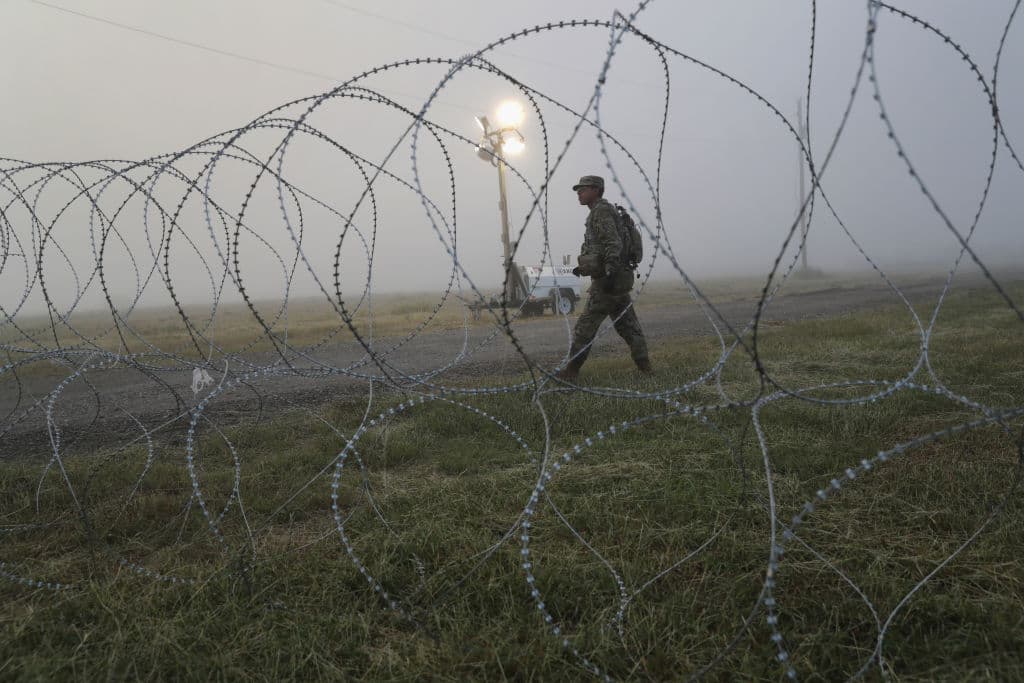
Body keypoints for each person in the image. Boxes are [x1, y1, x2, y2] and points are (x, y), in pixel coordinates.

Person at [556, 175, 652, 381]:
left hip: (608, 281)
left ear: (596, 190)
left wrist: (609, 270)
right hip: (618, 279)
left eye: (583, 189)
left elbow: (613, 243)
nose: (579, 193)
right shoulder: (601, 212)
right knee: (628, 325)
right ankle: (646, 368)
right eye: (578, 189)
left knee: (586, 326)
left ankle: (571, 371)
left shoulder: (601, 211)